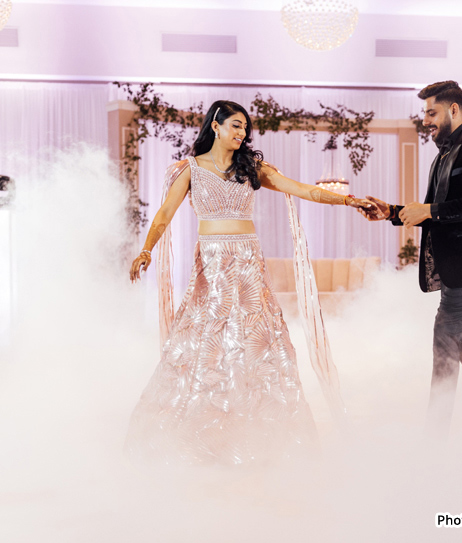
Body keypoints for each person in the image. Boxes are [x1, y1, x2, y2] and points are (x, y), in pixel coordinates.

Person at [126, 100, 373, 466]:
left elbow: (304, 189)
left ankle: (258, 435)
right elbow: (165, 213)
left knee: (256, 347)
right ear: (216, 126)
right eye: (236, 126)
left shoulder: (252, 168)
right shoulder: (189, 169)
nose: (242, 134)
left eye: (245, 128)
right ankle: (199, 433)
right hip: (212, 265)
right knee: (204, 346)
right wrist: (146, 249)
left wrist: (349, 200)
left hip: (247, 264)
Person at [360, 81, 462, 440]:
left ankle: (434, 440)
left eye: (431, 112)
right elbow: (432, 212)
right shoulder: (442, 156)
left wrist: (427, 209)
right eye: (425, 113)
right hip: (456, 268)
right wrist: (392, 213)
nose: (426, 120)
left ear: (455, 110)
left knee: (445, 338)